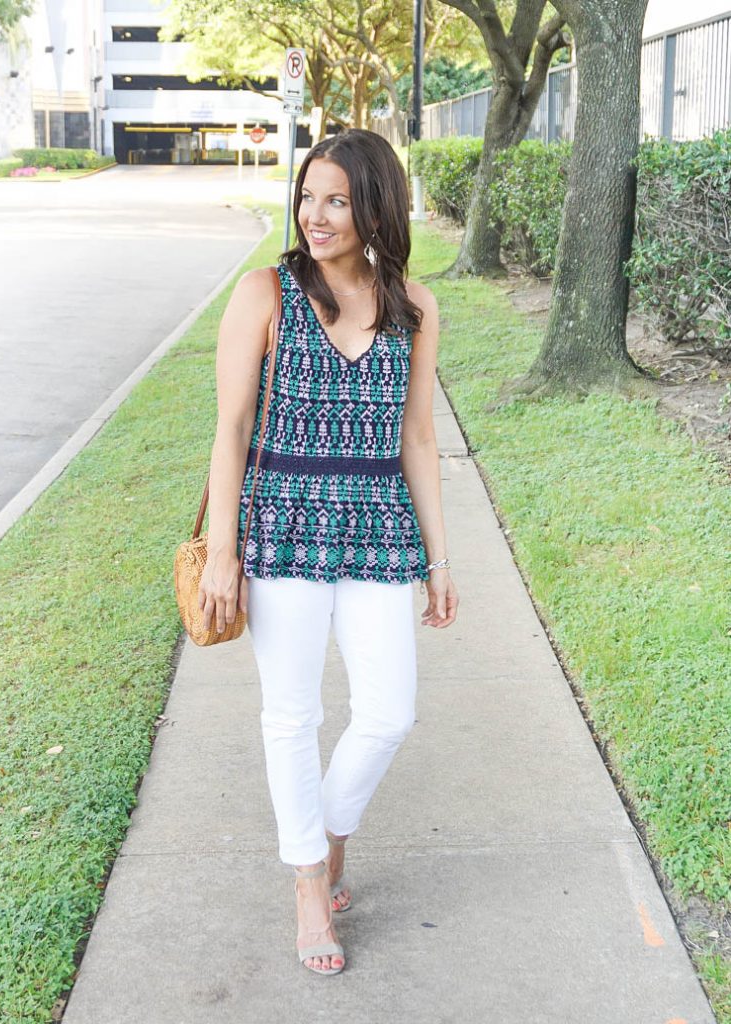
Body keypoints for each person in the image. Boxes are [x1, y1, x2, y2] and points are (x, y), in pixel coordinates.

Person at [198, 127, 459, 976]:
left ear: (374, 204)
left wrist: (440, 558)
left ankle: (328, 835)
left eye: (336, 199)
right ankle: (308, 880)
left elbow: (417, 438)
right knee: (293, 714)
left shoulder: (413, 306)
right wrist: (222, 552)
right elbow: (231, 428)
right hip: (282, 523)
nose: (315, 215)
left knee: (389, 711)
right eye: (308, 196)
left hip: (378, 526)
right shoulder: (265, 293)